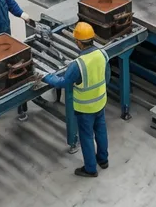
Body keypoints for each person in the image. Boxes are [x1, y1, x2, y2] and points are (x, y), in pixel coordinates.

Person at [44, 22, 109, 178]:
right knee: (101, 131)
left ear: (78, 42)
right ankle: (103, 160)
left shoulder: (78, 65)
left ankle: (90, 169)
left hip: (85, 108)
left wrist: (47, 77)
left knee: (86, 137)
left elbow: (63, 83)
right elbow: (106, 77)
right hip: (100, 102)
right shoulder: (102, 54)